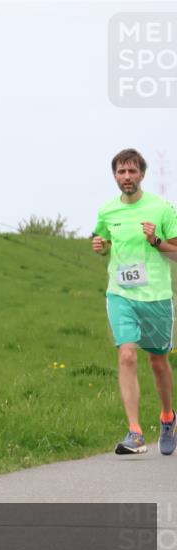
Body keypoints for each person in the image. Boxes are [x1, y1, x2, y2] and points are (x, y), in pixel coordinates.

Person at [91, 148, 177, 455]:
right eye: (121, 172)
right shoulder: (107, 211)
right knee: (127, 354)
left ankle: (168, 418)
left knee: (157, 361)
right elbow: (104, 243)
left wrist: (156, 241)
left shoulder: (162, 208)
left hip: (156, 296)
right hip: (120, 294)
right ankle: (135, 432)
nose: (126, 177)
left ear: (142, 174)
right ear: (115, 175)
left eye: (132, 171)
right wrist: (100, 247)